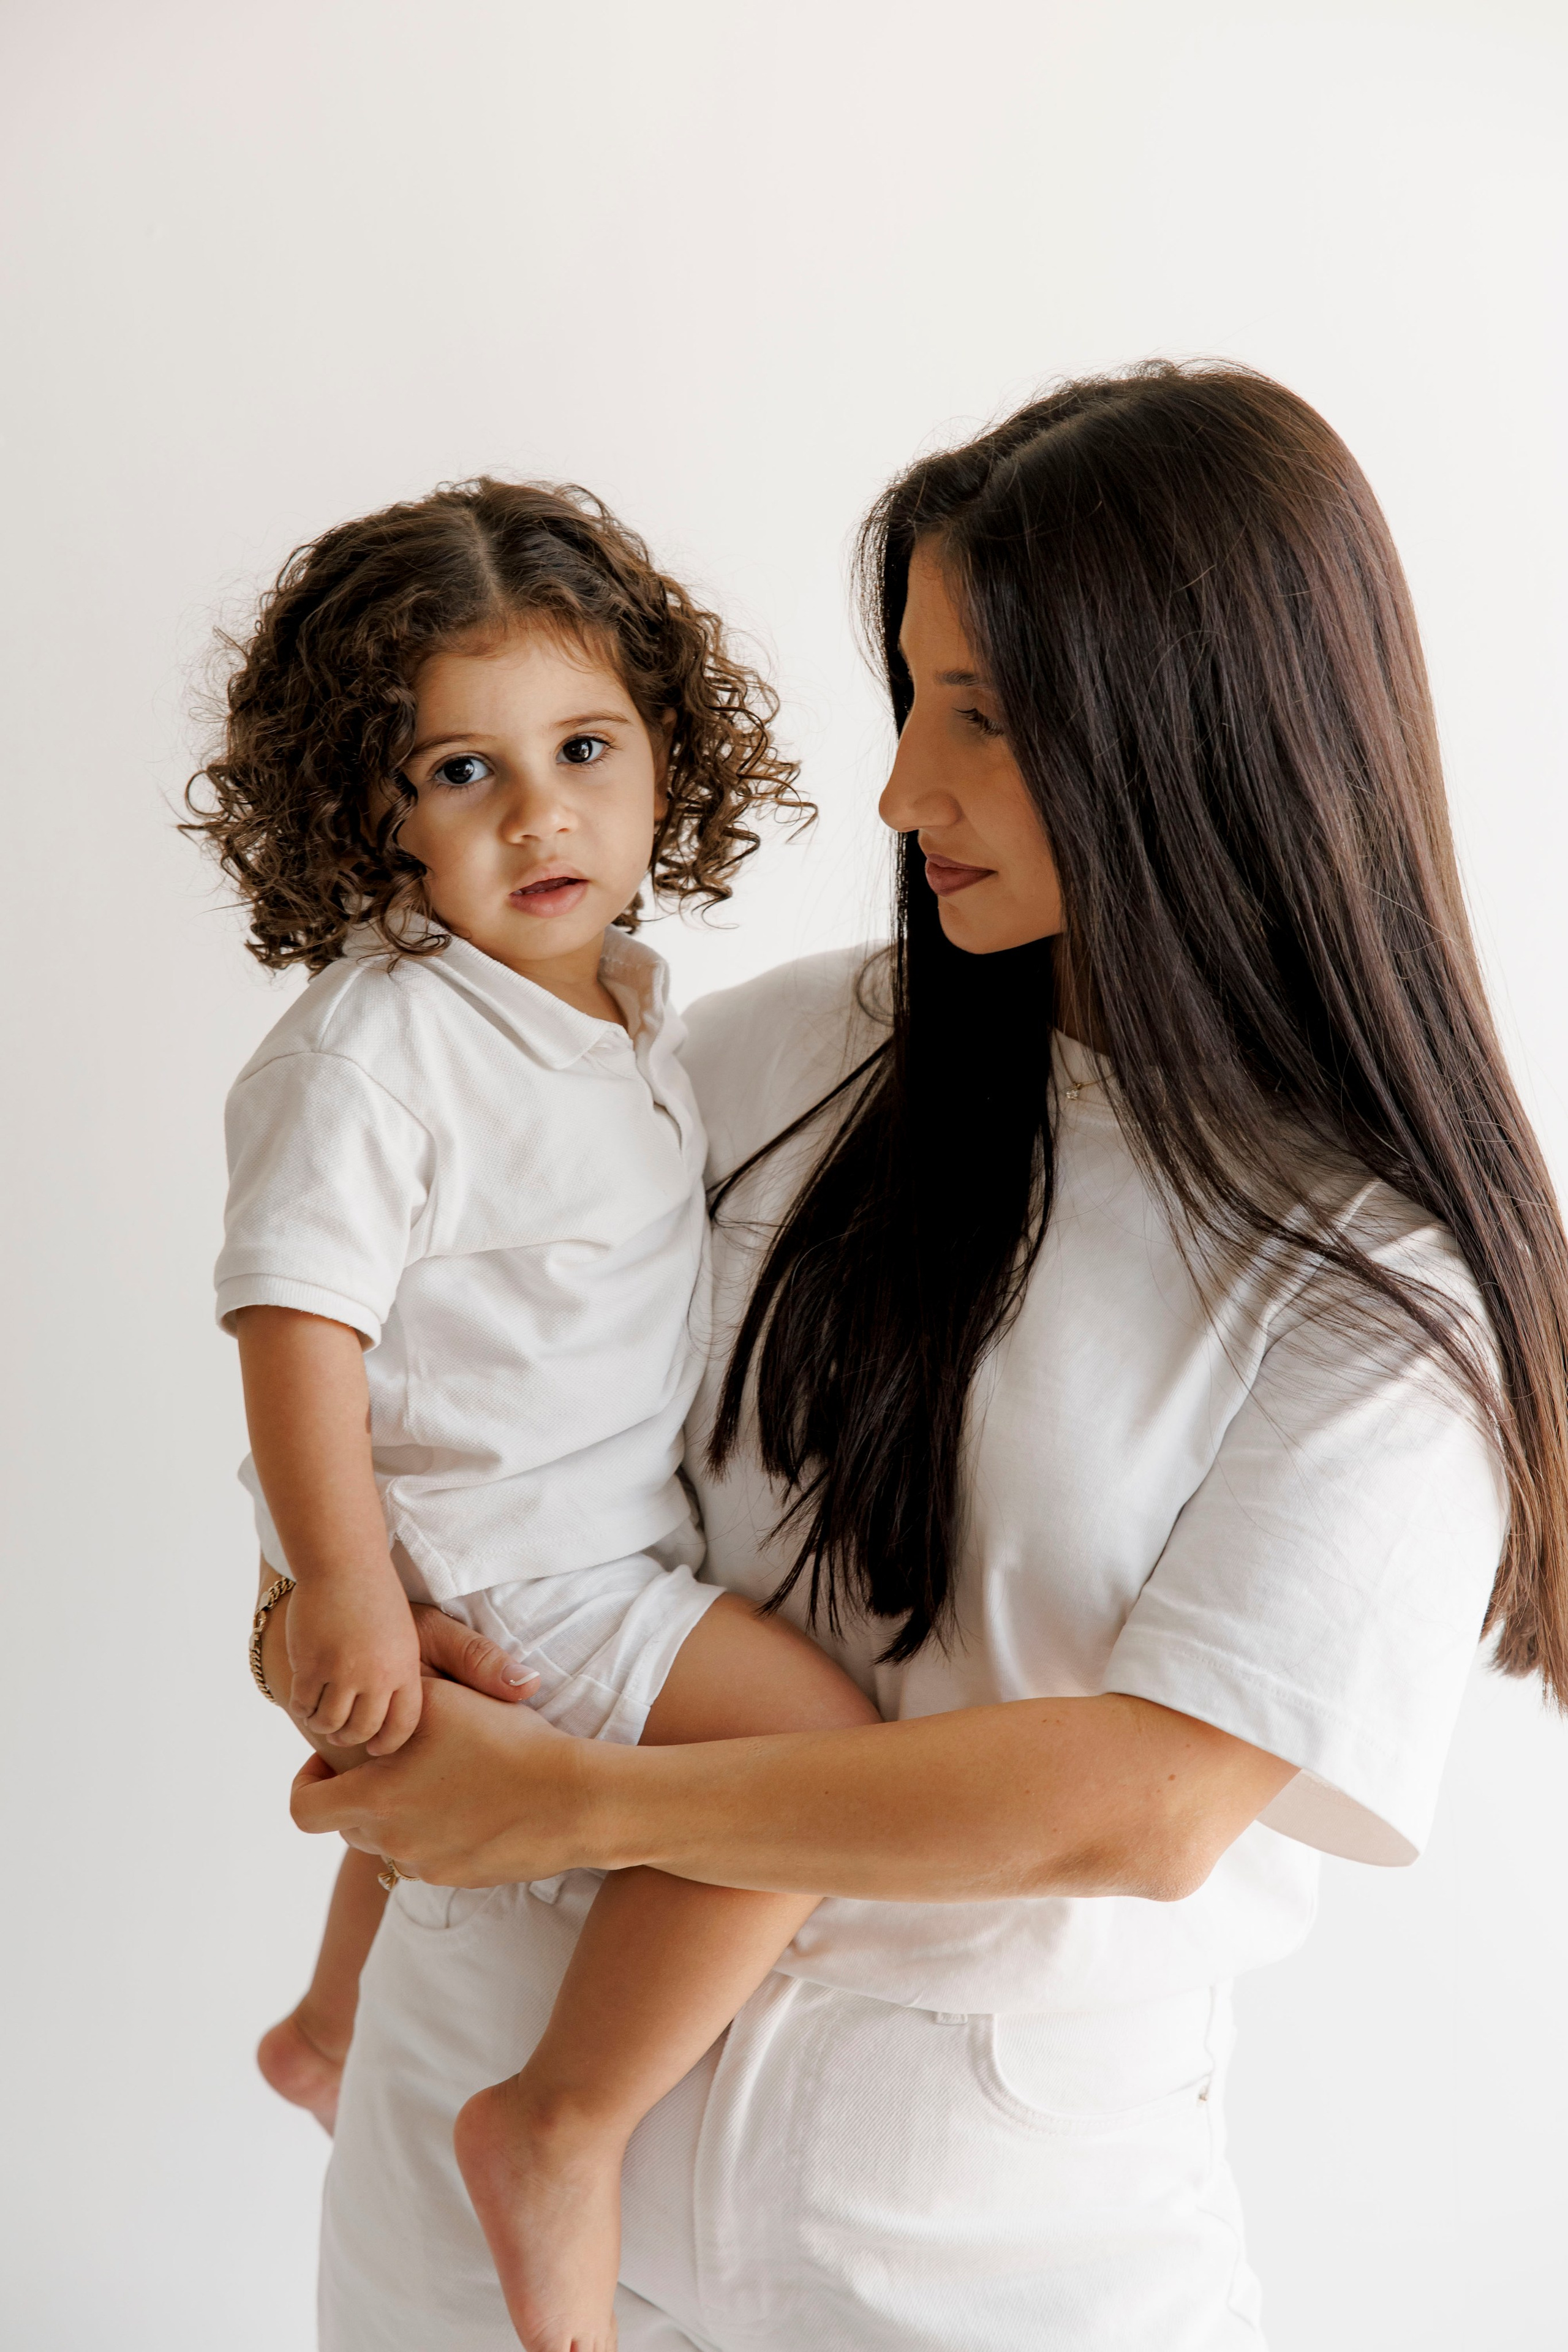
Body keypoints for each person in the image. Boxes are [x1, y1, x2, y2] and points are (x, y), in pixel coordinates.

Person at [286, 364, 1568, 2351]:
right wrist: (312, 1611)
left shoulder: (1376, 1278)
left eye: (979, 718)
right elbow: (447, 1395)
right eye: (913, 698)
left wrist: (572, 1807)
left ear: (1192, 742)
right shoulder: (765, 1058)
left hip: (963, 2233)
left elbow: (1145, 1800)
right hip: (481, 2098)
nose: (899, 793)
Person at [189, 480, 879, 2352]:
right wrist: (333, 1574)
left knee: (414, 1800)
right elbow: (293, 1308)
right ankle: (562, 2124)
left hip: (552, 1523)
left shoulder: (625, 1015)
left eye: (583, 748)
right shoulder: (382, 1043)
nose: (540, 811)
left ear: (669, 759)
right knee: (806, 1752)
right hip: (528, 1558)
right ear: (367, 812)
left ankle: (331, 2025)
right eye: (459, 774)